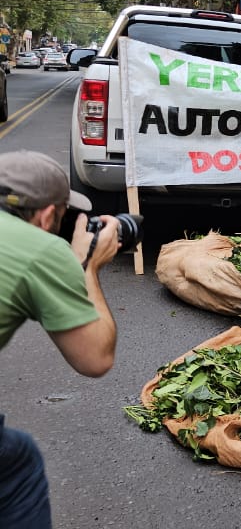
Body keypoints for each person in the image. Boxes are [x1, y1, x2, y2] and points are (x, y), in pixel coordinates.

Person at [1, 151, 122, 528]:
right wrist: (86, 266)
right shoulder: (41, 250)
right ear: (48, 215)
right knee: (19, 462)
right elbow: (95, 358)